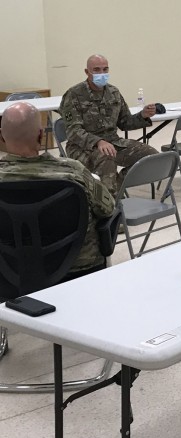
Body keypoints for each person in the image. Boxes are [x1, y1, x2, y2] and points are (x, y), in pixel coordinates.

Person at [0, 102, 115, 278]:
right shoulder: (73, 171)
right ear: (41, 135)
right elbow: (107, 208)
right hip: (77, 270)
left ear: (2, 137)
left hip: (9, 272)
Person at [60, 54, 158, 197]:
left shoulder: (113, 92)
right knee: (107, 158)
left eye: (105, 70)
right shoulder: (74, 95)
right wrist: (98, 141)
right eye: (97, 70)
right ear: (87, 72)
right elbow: (73, 131)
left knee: (151, 156)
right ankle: (109, 204)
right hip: (82, 147)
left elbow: (125, 122)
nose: (102, 74)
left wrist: (143, 115)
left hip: (113, 142)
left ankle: (117, 186)